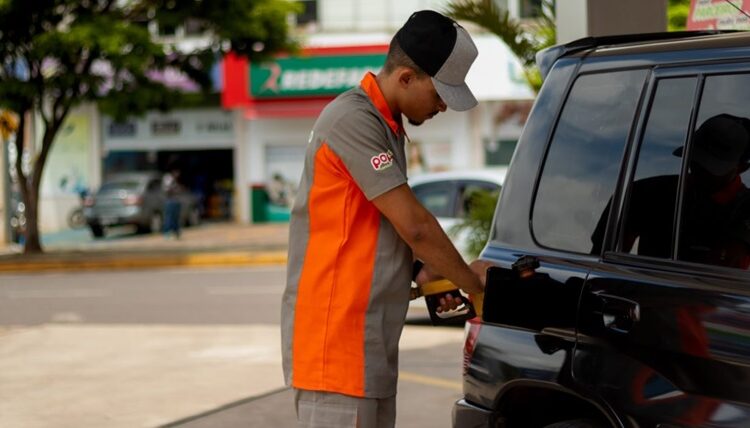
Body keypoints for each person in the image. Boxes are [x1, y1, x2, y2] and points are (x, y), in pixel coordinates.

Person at [280, 10, 493, 428]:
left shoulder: (385, 125)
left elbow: (374, 227)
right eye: (440, 93)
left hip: (365, 350)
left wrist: (423, 270)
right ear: (407, 77)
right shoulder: (353, 119)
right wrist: (475, 285)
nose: (444, 106)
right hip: (336, 353)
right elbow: (415, 225)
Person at [162, 168, 182, 239]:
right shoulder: (168, 178)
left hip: (176, 201)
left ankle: (176, 232)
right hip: (170, 201)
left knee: (176, 218)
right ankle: (167, 233)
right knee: (169, 218)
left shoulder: (177, 180)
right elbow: (167, 190)